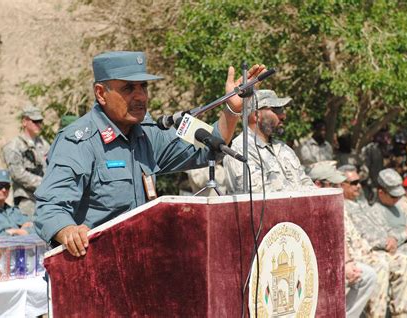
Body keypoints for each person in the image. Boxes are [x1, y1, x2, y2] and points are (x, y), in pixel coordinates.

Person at [34, 51, 266, 257]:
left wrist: (233, 108)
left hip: (142, 263)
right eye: (128, 88)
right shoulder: (79, 141)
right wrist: (68, 231)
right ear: (101, 93)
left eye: (143, 87)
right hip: (96, 271)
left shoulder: (148, 133)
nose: (140, 96)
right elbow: (50, 208)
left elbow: (209, 148)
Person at [348, 167, 407, 303]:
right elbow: (388, 240)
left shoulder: (397, 208)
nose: (397, 199)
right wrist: (406, 233)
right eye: (393, 196)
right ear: (381, 193)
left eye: (398, 195)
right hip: (397, 249)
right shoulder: (376, 211)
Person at [339, 164, 407, 317]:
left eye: (359, 182)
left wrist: (393, 238)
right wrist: (385, 242)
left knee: (405, 262)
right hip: (359, 254)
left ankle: (401, 314)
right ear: (341, 185)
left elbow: (379, 227)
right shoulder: (341, 206)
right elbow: (361, 235)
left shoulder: (362, 204)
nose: (358, 186)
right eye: (353, 183)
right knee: (380, 266)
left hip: (377, 251)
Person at [309, 161, 377, 318]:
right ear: (318, 184)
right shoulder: (309, 207)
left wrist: (347, 263)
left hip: (336, 263)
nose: (339, 188)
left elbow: (341, 237)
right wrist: (343, 267)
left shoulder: (332, 203)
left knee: (367, 275)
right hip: (317, 267)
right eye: (334, 184)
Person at [223, 89, 313, 194]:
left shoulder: (283, 148)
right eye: (277, 110)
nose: (283, 116)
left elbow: (306, 183)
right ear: (256, 115)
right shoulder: (240, 151)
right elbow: (258, 197)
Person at [2, 105, 50, 217]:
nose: (38, 124)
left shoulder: (44, 144)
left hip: (45, 196)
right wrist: (43, 183)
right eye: (35, 121)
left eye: (40, 121)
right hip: (27, 199)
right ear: (24, 122)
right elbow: (17, 174)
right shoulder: (14, 146)